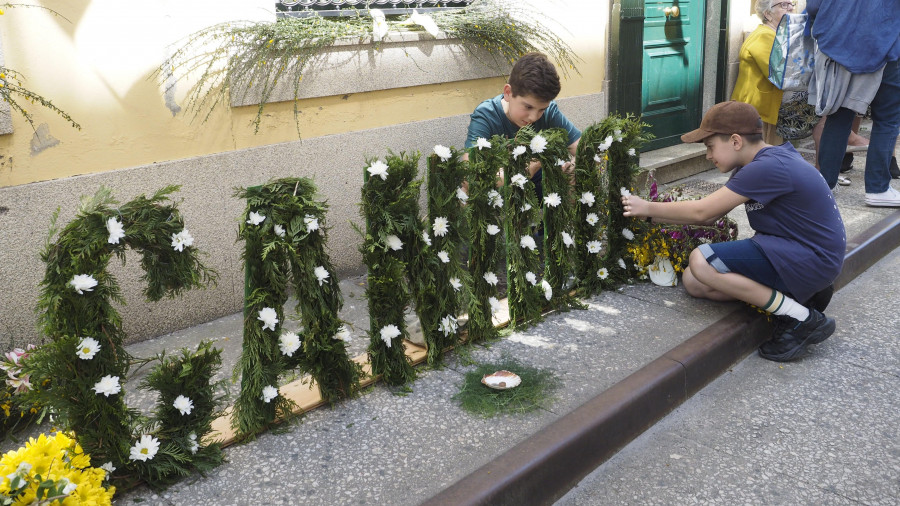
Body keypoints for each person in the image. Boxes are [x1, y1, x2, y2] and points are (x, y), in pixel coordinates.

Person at [622, 101, 845, 362]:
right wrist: (649, 216)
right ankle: (797, 294)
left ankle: (801, 318)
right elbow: (712, 216)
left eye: (710, 146)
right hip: (805, 254)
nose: (707, 155)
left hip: (812, 258)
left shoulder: (766, 167)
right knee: (695, 282)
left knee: (702, 260)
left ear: (736, 141)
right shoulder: (762, 161)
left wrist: (646, 206)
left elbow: (702, 212)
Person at [807, 0, 900, 205]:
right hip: (885, 43)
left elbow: (813, 6)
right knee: (887, 119)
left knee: (839, 116)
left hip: (837, 45)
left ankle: (826, 185)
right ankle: (878, 188)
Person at [463, 52, 581, 196]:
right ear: (508, 92)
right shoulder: (486, 115)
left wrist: (572, 167)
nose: (533, 117)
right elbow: (470, 177)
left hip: (542, 189)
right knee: (463, 196)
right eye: (528, 107)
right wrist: (527, 169)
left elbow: (582, 148)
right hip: (500, 195)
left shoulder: (550, 112)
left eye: (541, 109)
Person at [731, 0, 796, 146]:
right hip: (758, 113)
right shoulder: (764, 36)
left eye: (792, 4)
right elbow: (780, 73)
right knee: (760, 158)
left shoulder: (776, 34)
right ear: (768, 14)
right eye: (784, 5)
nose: (791, 8)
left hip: (765, 111)